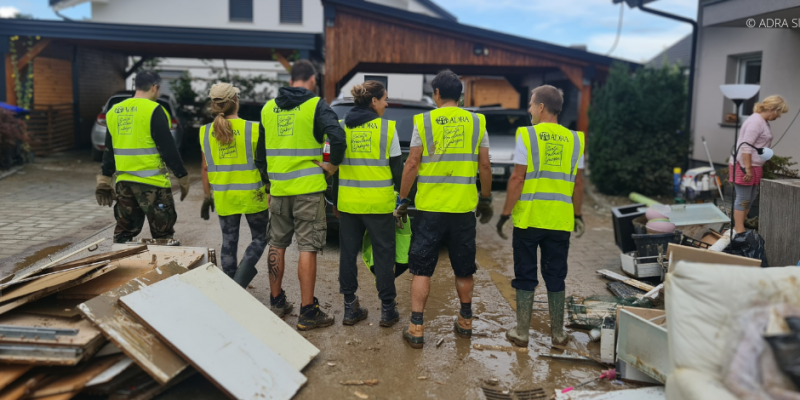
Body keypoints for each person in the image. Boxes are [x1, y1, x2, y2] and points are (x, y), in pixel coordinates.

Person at [396, 70, 494, 349]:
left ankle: (416, 327)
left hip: (430, 209)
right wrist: (485, 199)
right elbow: (485, 165)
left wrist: (402, 200)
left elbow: (412, 163)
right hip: (463, 208)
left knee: (422, 268)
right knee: (464, 268)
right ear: (460, 94)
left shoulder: (425, 121)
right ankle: (465, 322)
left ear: (436, 94)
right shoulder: (477, 122)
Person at [260, 60, 346, 330]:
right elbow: (338, 137)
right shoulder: (316, 105)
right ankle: (308, 312)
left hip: (279, 189)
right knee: (307, 247)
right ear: (312, 79)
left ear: (291, 78)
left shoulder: (268, 108)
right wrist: (331, 165)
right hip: (308, 190)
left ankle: (277, 302)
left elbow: (260, 153)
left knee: (277, 243)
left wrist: (268, 185)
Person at [496, 85, 584, 347]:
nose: (529, 110)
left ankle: (521, 333)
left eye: (532, 104)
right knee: (556, 273)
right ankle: (558, 334)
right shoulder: (576, 139)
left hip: (530, 218)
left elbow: (517, 177)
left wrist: (504, 213)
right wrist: (578, 214)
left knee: (526, 273)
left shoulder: (528, 135)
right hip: (559, 220)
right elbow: (578, 184)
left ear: (542, 107)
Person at [332, 81, 403, 327]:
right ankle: (387, 310)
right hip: (378, 206)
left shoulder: (340, 128)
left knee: (348, 255)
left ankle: (350, 308)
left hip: (349, 204)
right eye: (384, 98)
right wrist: (406, 198)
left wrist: (335, 200)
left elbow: (335, 169)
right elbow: (397, 170)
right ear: (373, 101)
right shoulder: (387, 129)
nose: (386, 103)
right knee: (384, 255)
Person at [96, 70, 190, 243]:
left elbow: (109, 150)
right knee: (163, 236)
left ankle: (122, 266)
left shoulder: (114, 111)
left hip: (125, 184)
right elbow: (168, 148)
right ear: (154, 88)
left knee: (123, 234)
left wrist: (105, 178)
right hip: (153, 185)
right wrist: (181, 175)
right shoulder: (154, 110)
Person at [198, 83, 269, 283]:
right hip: (253, 195)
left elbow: (204, 168)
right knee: (261, 238)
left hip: (224, 196)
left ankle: (231, 286)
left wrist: (206, 196)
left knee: (228, 243)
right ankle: (239, 281)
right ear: (235, 102)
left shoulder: (205, 132)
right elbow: (265, 163)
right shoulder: (253, 129)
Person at [729, 95, 788, 235]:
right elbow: (746, 147)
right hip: (744, 165)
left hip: (754, 166)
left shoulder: (763, 122)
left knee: (750, 198)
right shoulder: (755, 122)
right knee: (743, 198)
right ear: (772, 109)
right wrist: (747, 169)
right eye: (779, 113)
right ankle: (738, 229)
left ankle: (739, 227)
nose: (779, 116)